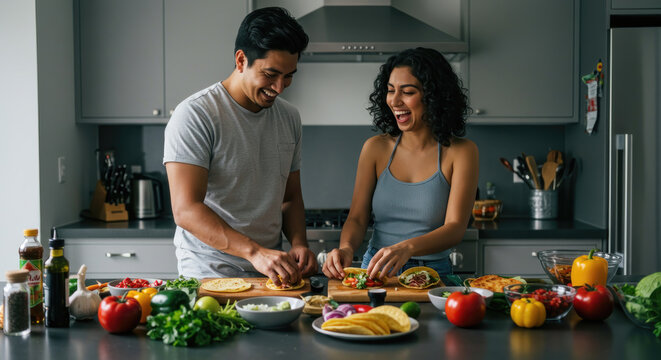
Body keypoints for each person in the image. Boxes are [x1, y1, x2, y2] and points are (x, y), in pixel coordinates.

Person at [163, 7, 317, 286]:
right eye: (271, 74)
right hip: (210, 272)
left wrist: (298, 243)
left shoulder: (289, 117)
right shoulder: (196, 115)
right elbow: (185, 209)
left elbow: (290, 198)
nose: (280, 87)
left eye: (289, 75)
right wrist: (255, 252)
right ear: (241, 60)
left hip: (271, 272)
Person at [322, 47, 479, 280]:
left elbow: (455, 227)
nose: (395, 101)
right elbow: (357, 217)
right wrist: (346, 248)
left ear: (433, 96)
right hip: (375, 270)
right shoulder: (375, 148)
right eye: (390, 90)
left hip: (433, 273)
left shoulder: (462, 152)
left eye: (407, 92)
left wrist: (407, 248)